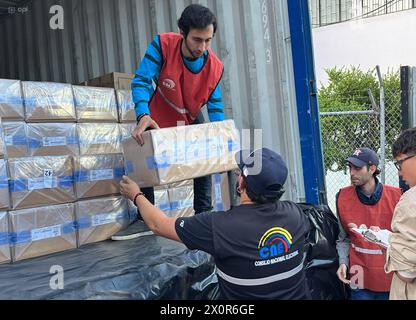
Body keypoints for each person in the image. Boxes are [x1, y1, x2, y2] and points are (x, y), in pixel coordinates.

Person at [119, 148, 311, 300]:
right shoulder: (295, 214)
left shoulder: (220, 226)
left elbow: (157, 224)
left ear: (242, 183)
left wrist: (136, 194)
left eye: (239, 173)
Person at [113, 4, 225, 240]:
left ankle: (202, 214)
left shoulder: (214, 66)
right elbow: (142, 81)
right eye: (197, 39)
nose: (202, 47)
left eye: (208, 40)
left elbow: (215, 104)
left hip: (191, 113)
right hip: (159, 110)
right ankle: (144, 218)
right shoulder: (162, 46)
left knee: (204, 147)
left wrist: (220, 136)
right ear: (182, 33)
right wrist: (143, 115)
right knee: (143, 150)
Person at [335, 147, 401, 300]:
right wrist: (343, 262)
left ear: (372, 169)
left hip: (389, 277)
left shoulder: (397, 197)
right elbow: (343, 238)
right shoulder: (342, 197)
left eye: (357, 168)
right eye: (350, 167)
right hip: (359, 276)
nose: (352, 173)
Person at [384, 128, 416, 299]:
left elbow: (406, 273)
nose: (399, 172)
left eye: (400, 163)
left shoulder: (410, 200)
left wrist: (390, 246)